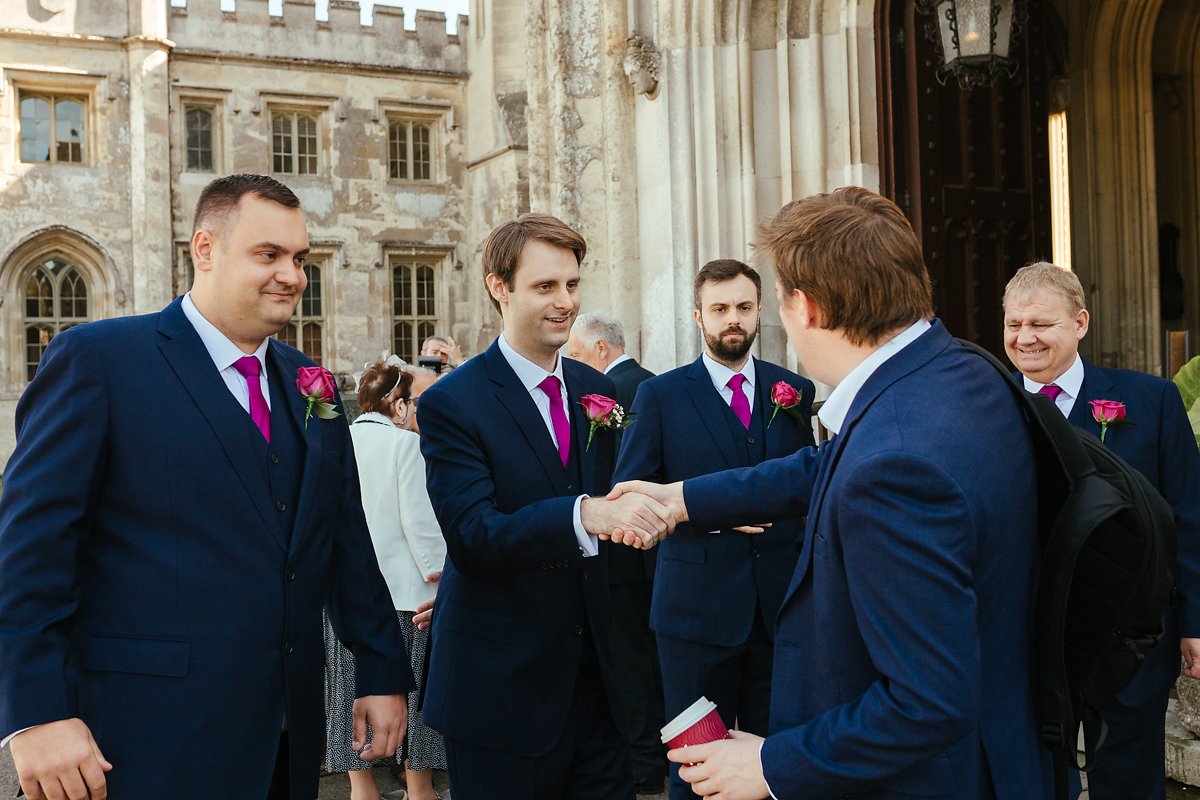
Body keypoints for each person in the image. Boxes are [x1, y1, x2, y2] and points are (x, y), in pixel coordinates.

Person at [611, 187, 1050, 799]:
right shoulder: (960, 370)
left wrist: (771, 765)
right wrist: (684, 498)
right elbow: (824, 467)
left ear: (806, 307)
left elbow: (926, 702)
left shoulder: (894, 462)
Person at [0, 174, 413, 800]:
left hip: (285, 737)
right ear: (205, 250)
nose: (292, 276)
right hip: (143, 736)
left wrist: (381, 671)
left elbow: (343, 540)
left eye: (299, 259)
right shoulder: (101, 361)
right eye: (268, 255)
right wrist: (38, 712)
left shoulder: (314, 385)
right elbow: (30, 550)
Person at [416, 212, 677, 800]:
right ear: (498, 286)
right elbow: (474, 534)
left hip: (597, 689)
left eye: (572, 285)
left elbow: (620, 501)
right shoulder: (454, 402)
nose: (565, 302)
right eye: (545, 287)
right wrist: (582, 516)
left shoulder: (598, 390)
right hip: (501, 689)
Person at [612, 260, 815, 800]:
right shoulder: (660, 396)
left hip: (781, 610)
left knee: (776, 762)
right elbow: (630, 499)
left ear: (758, 314)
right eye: (720, 309)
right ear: (699, 316)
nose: (733, 320)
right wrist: (709, 513)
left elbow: (811, 487)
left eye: (743, 308)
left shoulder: (792, 390)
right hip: (694, 615)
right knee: (697, 768)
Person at [1003, 261, 1200, 800]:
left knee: (1130, 782)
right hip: (1025, 638)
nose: (1025, 339)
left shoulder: (1151, 403)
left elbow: (1188, 515)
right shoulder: (984, 408)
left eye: (1041, 324)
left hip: (1129, 637)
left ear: (1080, 324)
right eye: (1014, 325)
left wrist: (1194, 623)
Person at [325, 360, 448, 800]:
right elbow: (423, 529)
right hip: (405, 600)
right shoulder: (404, 447)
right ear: (397, 405)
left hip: (342, 600)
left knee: (347, 702)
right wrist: (445, 584)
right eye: (418, 402)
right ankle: (419, 790)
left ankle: (362, 790)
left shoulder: (337, 440)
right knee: (413, 711)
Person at [568, 311, 665, 793]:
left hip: (619, 552)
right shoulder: (660, 385)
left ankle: (644, 762)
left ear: (601, 350)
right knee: (652, 657)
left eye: (578, 352)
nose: (572, 363)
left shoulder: (605, 395)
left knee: (629, 661)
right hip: (658, 552)